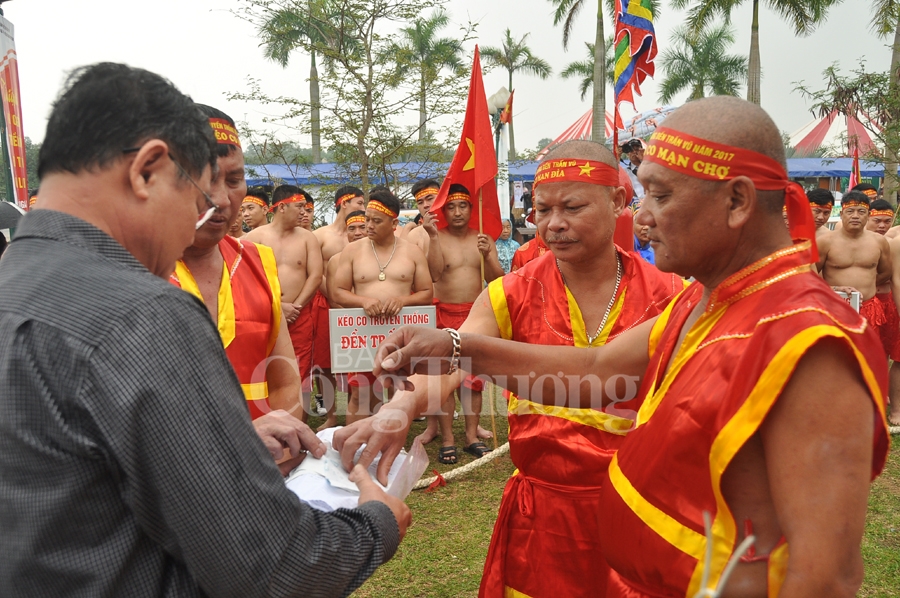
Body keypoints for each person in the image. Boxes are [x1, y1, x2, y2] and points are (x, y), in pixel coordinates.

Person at [368, 97, 889, 597]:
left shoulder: (810, 339)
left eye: (660, 196)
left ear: (736, 201)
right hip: (558, 535)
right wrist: (449, 349)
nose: (645, 217)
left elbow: (823, 578)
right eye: (644, 196)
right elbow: (593, 372)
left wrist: (458, 348)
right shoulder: (706, 306)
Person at [0, 61, 409, 597]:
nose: (210, 214)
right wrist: (375, 524)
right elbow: (269, 566)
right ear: (147, 170)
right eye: (196, 196)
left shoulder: (15, 281)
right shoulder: (143, 313)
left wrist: (227, 445)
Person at [335, 139, 685, 598]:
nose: (554, 224)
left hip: (640, 508)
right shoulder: (513, 291)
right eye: (541, 210)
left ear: (618, 200)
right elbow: (451, 364)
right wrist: (400, 406)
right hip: (544, 516)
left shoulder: (671, 294)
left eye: (573, 207)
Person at [170, 106, 300, 420]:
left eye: (234, 179)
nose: (223, 200)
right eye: (204, 179)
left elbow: (285, 385)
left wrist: (278, 457)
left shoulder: (256, 263)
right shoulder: (126, 269)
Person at [419, 183, 504, 463]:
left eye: (463, 205)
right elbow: (432, 274)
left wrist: (489, 254)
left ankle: (470, 436)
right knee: (444, 379)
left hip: (475, 315)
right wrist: (432, 236)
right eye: (451, 206)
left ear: (471, 208)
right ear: (444, 211)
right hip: (443, 315)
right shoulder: (436, 237)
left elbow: (497, 280)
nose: (457, 212)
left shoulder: (482, 238)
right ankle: (447, 439)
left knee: (472, 380)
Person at [331, 189, 433, 424]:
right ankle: (356, 447)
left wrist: (402, 300)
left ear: (393, 222)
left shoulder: (412, 252)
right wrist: (364, 301)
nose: (368, 226)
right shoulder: (352, 251)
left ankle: (392, 449)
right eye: (367, 219)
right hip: (364, 333)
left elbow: (427, 293)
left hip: (400, 333)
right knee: (360, 392)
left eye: (376, 221)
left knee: (399, 391)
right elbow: (338, 292)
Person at [245, 184, 324, 421]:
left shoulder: (308, 238)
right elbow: (245, 280)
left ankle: (297, 428)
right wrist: (277, 308)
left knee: (298, 373)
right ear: (281, 207)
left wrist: (296, 307)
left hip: (299, 316)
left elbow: (315, 276)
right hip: (264, 315)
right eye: (299, 206)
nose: (304, 211)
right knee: (263, 370)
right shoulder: (254, 238)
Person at [310, 186, 368, 420]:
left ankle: (361, 409)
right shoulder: (320, 236)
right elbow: (314, 270)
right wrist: (334, 295)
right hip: (325, 303)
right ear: (344, 203)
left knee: (361, 359)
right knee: (325, 361)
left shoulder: (366, 233)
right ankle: (331, 414)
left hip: (359, 304)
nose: (363, 207)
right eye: (360, 203)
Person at [817, 191, 892, 331]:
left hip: (868, 307)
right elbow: (811, 275)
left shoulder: (879, 242)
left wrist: (866, 285)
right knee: (836, 351)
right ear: (841, 214)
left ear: (868, 215)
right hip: (835, 306)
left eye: (861, 212)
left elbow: (886, 272)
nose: (855, 216)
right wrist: (834, 288)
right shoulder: (824, 242)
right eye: (850, 211)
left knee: (868, 352)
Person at [405, 178, 445, 281]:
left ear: (441, 197)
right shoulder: (414, 236)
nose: (425, 205)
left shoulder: (457, 231)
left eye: (430, 198)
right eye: (420, 202)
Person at [631, 199, 654, 264]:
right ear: (632, 224)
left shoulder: (659, 252)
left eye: (650, 222)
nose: (646, 227)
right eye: (641, 223)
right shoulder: (626, 248)